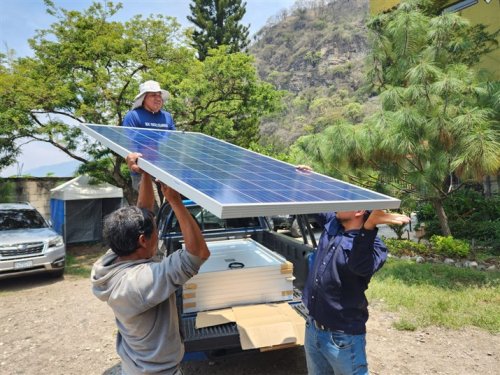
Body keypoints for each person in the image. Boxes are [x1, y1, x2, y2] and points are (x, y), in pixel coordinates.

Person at [91, 152, 210, 375]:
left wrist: (145, 173)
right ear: (142, 240)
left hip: (135, 365)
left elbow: (144, 213)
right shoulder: (141, 282)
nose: (159, 235)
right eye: (156, 232)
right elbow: (198, 253)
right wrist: (175, 201)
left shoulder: (112, 259)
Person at [298, 166, 410, 375]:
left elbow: (360, 267)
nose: (338, 203)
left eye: (345, 201)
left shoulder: (375, 246)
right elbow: (312, 202)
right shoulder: (333, 223)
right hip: (313, 329)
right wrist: (308, 179)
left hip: (342, 338)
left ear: (359, 211)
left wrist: (369, 228)